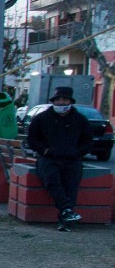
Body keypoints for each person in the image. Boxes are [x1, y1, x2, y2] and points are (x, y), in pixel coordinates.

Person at [26, 86, 92, 227]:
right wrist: (44, 151)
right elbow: (32, 139)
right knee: (51, 180)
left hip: (72, 159)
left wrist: (78, 152)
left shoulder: (80, 120)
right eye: (58, 99)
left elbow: (87, 141)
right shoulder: (42, 118)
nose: (61, 102)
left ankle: (66, 218)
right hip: (49, 158)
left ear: (70, 101)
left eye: (65, 99)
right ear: (53, 101)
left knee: (71, 185)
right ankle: (67, 210)